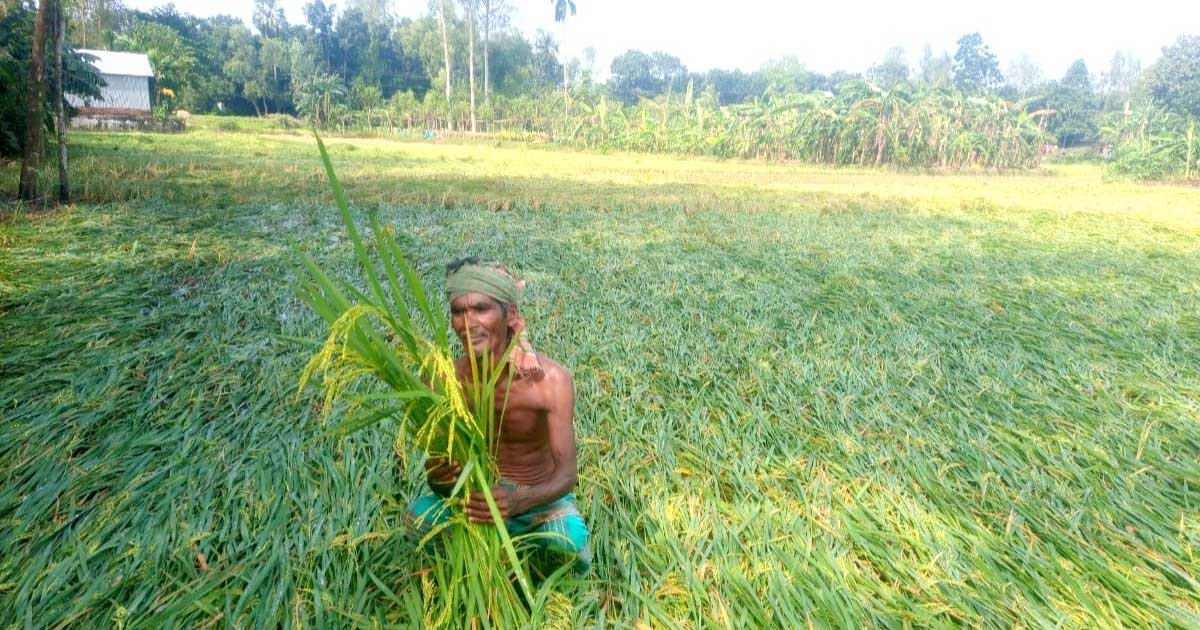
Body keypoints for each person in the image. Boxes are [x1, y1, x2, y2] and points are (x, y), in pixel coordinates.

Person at [406, 257, 591, 573]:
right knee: (417, 520)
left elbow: (566, 475)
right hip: (473, 501)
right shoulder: (442, 381)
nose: (468, 323)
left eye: (481, 309)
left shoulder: (550, 382)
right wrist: (440, 479)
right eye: (458, 311)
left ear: (511, 315)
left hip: (535, 501)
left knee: (568, 542)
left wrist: (519, 501)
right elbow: (438, 474)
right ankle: (480, 559)